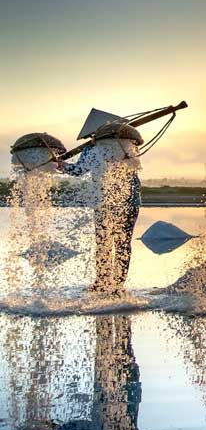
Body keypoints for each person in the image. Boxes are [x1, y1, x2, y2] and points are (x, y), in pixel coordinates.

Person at [61, 111, 144, 297]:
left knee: (107, 242)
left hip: (118, 201)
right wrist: (60, 165)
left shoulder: (107, 147)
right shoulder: (126, 145)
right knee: (119, 242)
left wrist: (61, 165)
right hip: (117, 202)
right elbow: (78, 170)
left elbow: (77, 171)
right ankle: (110, 284)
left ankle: (109, 283)